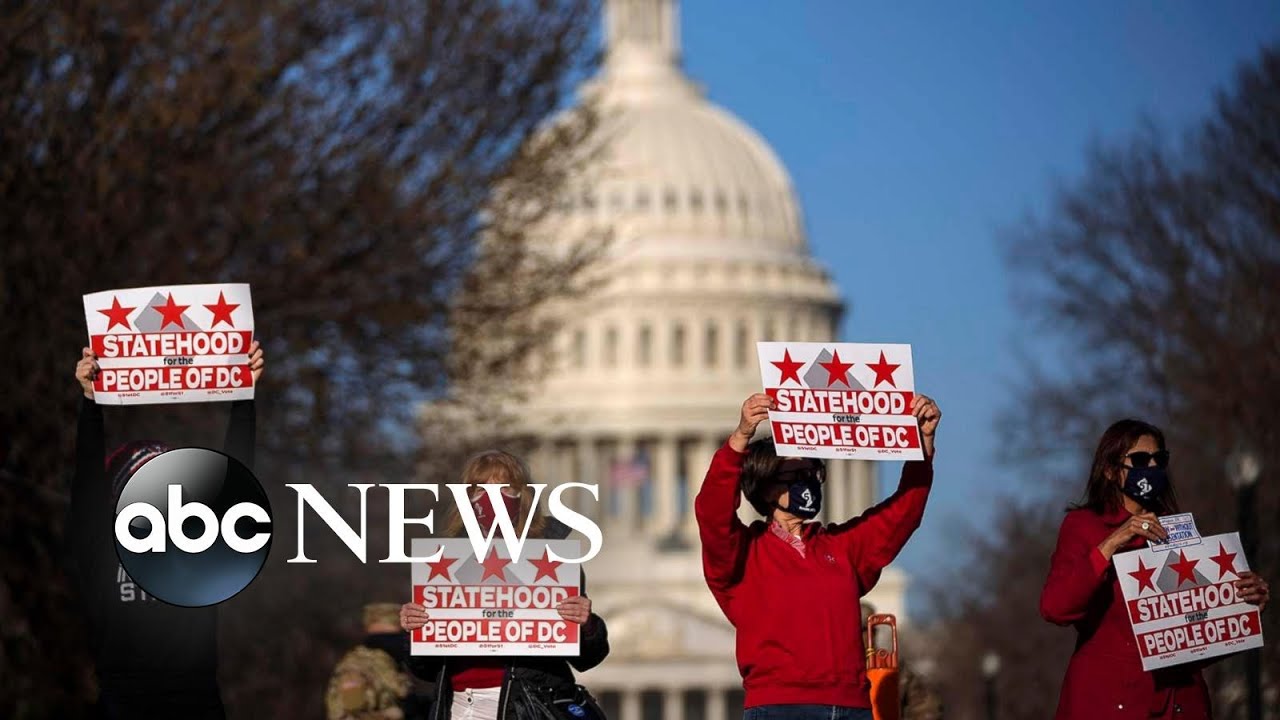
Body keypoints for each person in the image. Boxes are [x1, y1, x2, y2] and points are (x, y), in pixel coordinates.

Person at [696, 392, 942, 720]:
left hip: (851, 706)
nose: (808, 483)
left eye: (813, 473)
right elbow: (712, 513)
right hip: (780, 708)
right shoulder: (743, 556)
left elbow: (903, 514)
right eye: (796, 476)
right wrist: (740, 439)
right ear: (767, 488)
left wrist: (922, 448)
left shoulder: (841, 547)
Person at [71, 342, 265, 719]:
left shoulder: (201, 543)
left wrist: (245, 393)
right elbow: (87, 484)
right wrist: (90, 400)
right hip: (123, 704)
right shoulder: (100, 546)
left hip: (195, 702)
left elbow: (237, 484)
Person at [1040, 419, 1271, 719]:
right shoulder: (1084, 526)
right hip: (1111, 704)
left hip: (1179, 704)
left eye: (1159, 459)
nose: (1151, 466)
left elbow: (1196, 639)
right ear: (1110, 470)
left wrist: (1242, 606)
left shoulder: (1178, 530)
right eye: (1139, 460)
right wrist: (1111, 544)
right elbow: (1055, 607)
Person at [398, 450, 609, 720]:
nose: (492, 497)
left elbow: (588, 659)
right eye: (481, 489)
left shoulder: (554, 560)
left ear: (523, 496)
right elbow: (424, 670)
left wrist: (587, 626)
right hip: (457, 707)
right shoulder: (443, 564)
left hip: (525, 706)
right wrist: (415, 630)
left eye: (504, 488)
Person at [328, 603, 434, 720]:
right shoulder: (357, 668)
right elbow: (348, 716)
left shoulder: (389, 665)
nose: (395, 643)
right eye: (387, 638)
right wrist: (396, 714)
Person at [858, 602, 942, 720]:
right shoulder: (834, 672)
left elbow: (927, 709)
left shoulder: (895, 671)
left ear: (873, 632)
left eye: (862, 630)